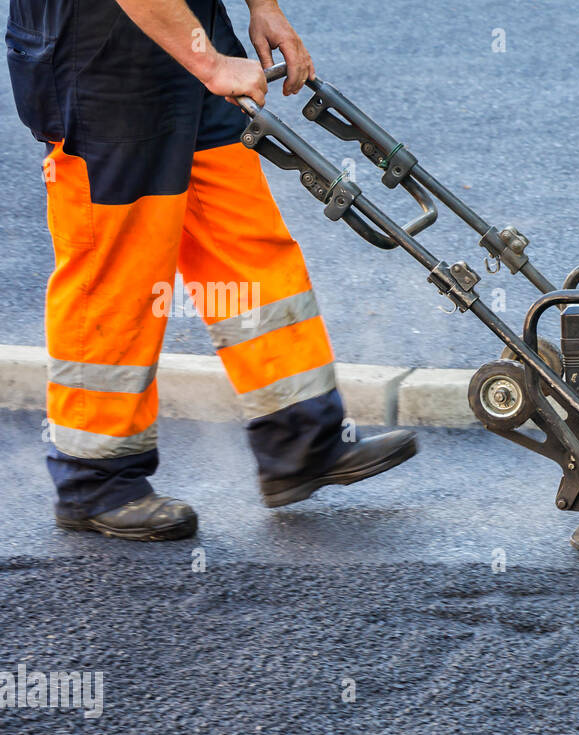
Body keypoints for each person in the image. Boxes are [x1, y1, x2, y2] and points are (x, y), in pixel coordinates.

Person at [5, 0, 416, 540]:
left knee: (241, 239)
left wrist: (262, 7)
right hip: (98, 52)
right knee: (118, 271)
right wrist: (215, 66)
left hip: (186, 29)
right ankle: (95, 480)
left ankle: (302, 437)